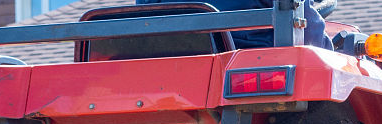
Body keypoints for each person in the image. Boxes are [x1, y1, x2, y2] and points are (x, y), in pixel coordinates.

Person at [135, 0, 333, 50]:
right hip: (248, 59)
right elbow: (308, 29)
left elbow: (146, 17)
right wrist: (328, 51)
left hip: (174, 58)